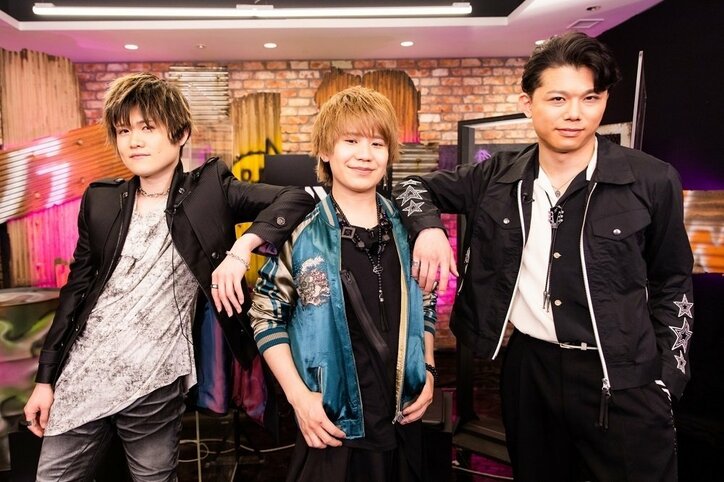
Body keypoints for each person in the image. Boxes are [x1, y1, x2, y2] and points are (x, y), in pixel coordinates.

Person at [393, 32, 694, 481]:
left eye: (590, 98)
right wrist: (429, 228)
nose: (575, 113)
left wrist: (668, 377)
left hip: (624, 373)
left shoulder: (651, 179)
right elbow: (409, 186)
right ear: (528, 103)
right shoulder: (497, 176)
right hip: (529, 371)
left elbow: (673, 280)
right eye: (558, 98)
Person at [22, 72, 315, 481]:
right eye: (123, 131)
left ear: (180, 134)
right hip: (83, 375)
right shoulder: (100, 199)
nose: (133, 141)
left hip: (155, 379)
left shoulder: (210, 190)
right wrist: (46, 379)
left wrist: (240, 250)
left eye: (147, 128)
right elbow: (76, 292)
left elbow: (296, 197)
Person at [249, 86, 438, 481]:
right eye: (350, 141)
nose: (365, 154)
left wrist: (429, 370)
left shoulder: (408, 230)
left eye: (377, 143)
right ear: (325, 150)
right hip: (332, 422)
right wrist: (299, 398)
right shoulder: (302, 233)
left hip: (403, 419)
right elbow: (266, 315)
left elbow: (426, 303)